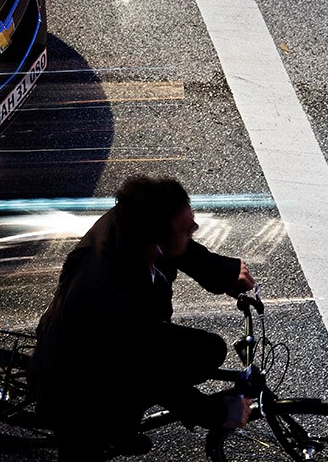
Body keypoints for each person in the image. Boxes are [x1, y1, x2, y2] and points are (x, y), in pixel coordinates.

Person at [32, 175, 256, 460]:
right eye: (187, 229)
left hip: (121, 341)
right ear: (155, 244)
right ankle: (114, 428)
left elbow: (179, 248)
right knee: (85, 444)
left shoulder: (134, 222)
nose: (195, 229)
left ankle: (123, 419)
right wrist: (217, 413)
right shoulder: (109, 297)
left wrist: (224, 274)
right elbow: (149, 374)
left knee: (209, 350)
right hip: (78, 381)